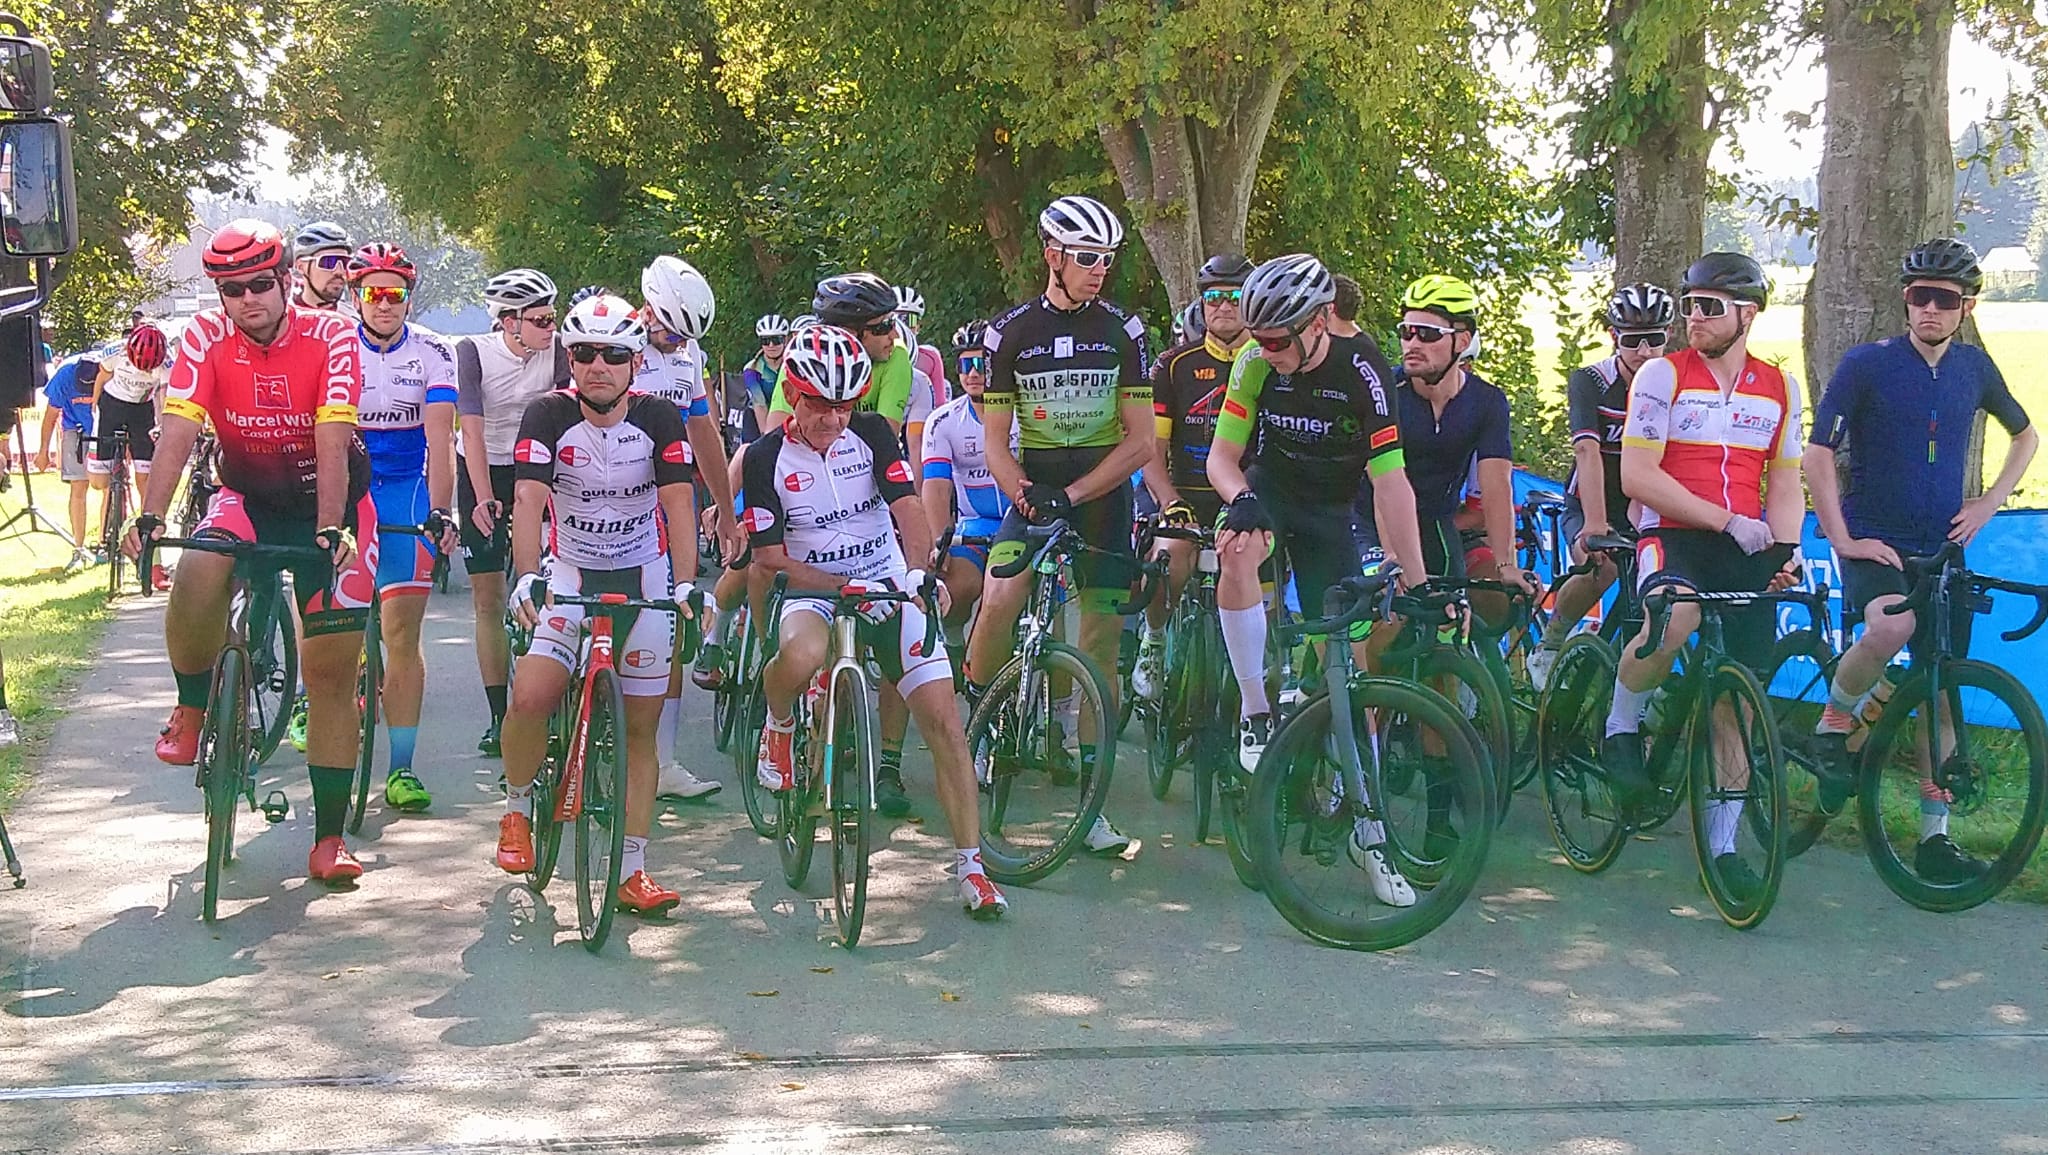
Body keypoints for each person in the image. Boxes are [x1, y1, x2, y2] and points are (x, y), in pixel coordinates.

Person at [127, 218, 380, 884]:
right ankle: (191, 702)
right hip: (247, 493)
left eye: (260, 284)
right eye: (231, 289)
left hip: (331, 506)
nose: (248, 299)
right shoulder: (206, 338)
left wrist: (331, 529)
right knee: (200, 563)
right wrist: (150, 514)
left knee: (328, 676)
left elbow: (333, 437)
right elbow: (178, 429)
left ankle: (327, 839)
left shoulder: (332, 334)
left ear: (286, 278)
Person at [744, 324, 1008, 919]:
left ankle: (973, 870)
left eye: (845, 405)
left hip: (885, 581)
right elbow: (767, 557)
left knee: (944, 720)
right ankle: (780, 723)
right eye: (818, 405)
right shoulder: (764, 458)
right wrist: (842, 586)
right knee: (803, 655)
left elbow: (908, 508)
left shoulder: (870, 436)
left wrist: (917, 570)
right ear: (792, 392)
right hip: (811, 588)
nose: (833, 419)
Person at [1805, 238, 2038, 881]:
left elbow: (2026, 435)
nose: (1930, 310)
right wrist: (1841, 537)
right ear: (1905, 302)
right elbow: (1818, 453)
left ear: (1965, 308)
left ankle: (1934, 838)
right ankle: (1832, 726)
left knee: (1942, 692)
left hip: (1944, 547)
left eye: (1945, 300)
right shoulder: (1867, 364)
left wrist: (1991, 501)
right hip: (1875, 538)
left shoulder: (1974, 368)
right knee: (1890, 626)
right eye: (1918, 297)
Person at [1604, 252, 1805, 902]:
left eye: (1709, 306)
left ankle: (1722, 848)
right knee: (1676, 615)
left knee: (1738, 701)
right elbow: (1637, 477)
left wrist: (1788, 547)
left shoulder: (1779, 386)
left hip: (1744, 541)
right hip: (1673, 535)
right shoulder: (1662, 375)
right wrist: (1724, 520)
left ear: (1747, 314)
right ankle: (1620, 726)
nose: (1694, 316)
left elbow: (1784, 481)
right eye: (1689, 303)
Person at [496, 293, 699, 914]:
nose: (597, 366)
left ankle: (633, 867)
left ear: (635, 361)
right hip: (571, 574)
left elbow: (679, 508)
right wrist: (528, 576)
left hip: (644, 577)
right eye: (584, 353)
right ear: (571, 359)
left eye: (614, 355)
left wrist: (687, 585)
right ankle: (517, 807)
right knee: (532, 693)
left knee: (640, 730)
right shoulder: (547, 415)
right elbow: (528, 501)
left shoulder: (660, 418)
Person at [966, 194, 1153, 858]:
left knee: (1098, 646)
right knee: (998, 596)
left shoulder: (1124, 330)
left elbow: (1140, 446)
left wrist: (1073, 493)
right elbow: (993, 439)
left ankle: (1092, 801)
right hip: (1034, 486)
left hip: (1099, 495)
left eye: (1106, 258)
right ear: (1052, 256)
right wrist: (1023, 489)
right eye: (1085, 257)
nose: (1098, 269)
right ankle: (981, 719)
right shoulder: (1009, 332)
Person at [1204, 255, 1426, 796]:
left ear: (1319, 322)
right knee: (1235, 549)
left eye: (1278, 341)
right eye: (1260, 339)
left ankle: (1365, 813)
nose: (1267, 351)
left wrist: (1418, 580)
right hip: (1271, 491)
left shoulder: (1364, 369)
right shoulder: (1254, 362)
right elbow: (1220, 458)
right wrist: (1241, 498)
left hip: (1333, 509)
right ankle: (1254, 711)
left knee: (1348, 669)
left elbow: (1391, 481)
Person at [1355, 274, 1536, 666]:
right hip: (1371, 519)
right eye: (1406, 332)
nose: (1412, 344)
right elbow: (1383, 483)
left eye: (1427, 334)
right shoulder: (1385, 389)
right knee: (1389, 614)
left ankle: (1443, 717)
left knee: (1449, 631)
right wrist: (1392, 555)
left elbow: (1496, 486)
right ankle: (1343, 702)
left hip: (1436, 523)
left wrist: (1506, 565)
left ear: (1463, 339)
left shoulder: (1486, 401)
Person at [348, 242, 461, 815]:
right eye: (374, 293)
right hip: (347, 488)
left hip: (404, 491)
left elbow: (440, 440)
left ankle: (401, 768)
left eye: (394, 293)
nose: (384, 303)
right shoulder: (338, 348)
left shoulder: (434, 352)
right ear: (357, 297)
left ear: (408, 297)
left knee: (401, 637)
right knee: (332, 625)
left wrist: (441, 511)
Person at [1526, 282, 1673, 688]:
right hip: (1591, 500)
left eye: (1654, 339)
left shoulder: (1674, 382)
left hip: (1646, 501)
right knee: (1601, 569)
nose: (1644, 352)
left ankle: (1644, 684)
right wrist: (1594, 525)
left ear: (1669, 337)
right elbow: (1588, 452)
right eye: (1632, 341)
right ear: (1613, 338)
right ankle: (1552, 641)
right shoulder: (1590, 381)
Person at [456, 268, 570, 755]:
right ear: (508, 322)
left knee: (549, 580)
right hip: (482, 465)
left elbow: (567, 418)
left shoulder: (561, 350)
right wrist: (483, 497)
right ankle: (497, 715)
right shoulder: (473, 352)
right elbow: (473, 429)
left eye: (552, 317)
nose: (550, 328)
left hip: (537, 467)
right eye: (540, 320)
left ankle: (547, 697)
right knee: (488, 598)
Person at [636, 254, 737, 801]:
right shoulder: (611, 340)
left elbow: (704, 432)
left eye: (685, 339)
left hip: (667, 501)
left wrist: (725, 509)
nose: (676, 344)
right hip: (602, 501)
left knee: (672, 623)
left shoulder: (687, 353)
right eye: (671, 334)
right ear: (648, 309)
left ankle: (664, 760)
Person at [1135, 253, 1254, 701]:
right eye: (1213, 298)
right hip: (1184, 492)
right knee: (1170, 555)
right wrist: (1169, 501)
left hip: (1244, 496)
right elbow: (1152, 450)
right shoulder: (1174, 364)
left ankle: (1262, 668)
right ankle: (1154, 638)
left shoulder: (1266, 360)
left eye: (1235, 297)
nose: (1223, 307)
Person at [921, 320, 1007, 635]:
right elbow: (936, 488)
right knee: (954, 591)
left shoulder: (1026, 412)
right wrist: (938, 542)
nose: (973, 373)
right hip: (974, 526)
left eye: (981, 364)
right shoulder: (943, 421)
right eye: (964, 364)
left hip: (1023, 523)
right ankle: (955, 652)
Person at [89, 323, 171, 589]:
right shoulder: (115, 352)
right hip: (112, 403)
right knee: (99, 482)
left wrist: (162, 423)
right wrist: (94, 405)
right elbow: (101, 377)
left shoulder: (166, 363)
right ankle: (113, 475)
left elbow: (165, 395)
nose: (145, 370)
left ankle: (139, 523)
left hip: (141, 409)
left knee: (145, 478)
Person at [36, 347, 101, 571]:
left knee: (112, 486)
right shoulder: (64, 375)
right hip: (75, 429)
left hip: (105, 427)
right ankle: (79, 547)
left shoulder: (107, 371)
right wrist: (43, 451)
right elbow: (50, 416)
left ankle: (105, 542)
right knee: (78, 488)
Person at [741, 314, 788, 442]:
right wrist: (767, 439)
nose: (771, 345)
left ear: (785, 340)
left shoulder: (793, 366)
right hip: (757, 420)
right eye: (766, 341)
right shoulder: (751, 369)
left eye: (776, 340)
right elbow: (759, 404)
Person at [291, 221, 353, 312]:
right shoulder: (280, 319)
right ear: (300, 267)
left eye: (345, 263)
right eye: (328, 262)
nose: (339, 271)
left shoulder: (354, 322)